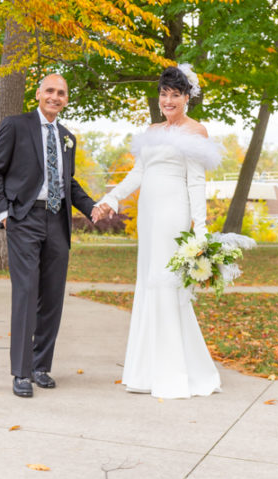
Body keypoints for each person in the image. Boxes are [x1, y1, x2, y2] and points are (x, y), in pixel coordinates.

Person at [92, 64, 222, 399]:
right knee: (149, 281)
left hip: (173, 212)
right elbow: (137, 174)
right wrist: (110, 198)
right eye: (163, 94)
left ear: (187, 97)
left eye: (174, 94)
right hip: (149, 214)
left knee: (167, 283)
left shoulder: (196, 132)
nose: (167, 100)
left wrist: (201, 230)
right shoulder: (152, 130)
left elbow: (196, 182)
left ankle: (174, 372)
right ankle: (145, 371)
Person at [0, 73, 96, 397]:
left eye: (61, 92)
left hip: (57, 221)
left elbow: (69, 183)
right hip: (24, 218)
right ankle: (20, 372)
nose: (55, 96)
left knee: (52, 296)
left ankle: (40, 366)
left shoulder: (67, 137)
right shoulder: (16, 125)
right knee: (26, 291)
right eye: (50, 90)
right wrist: (5, 213)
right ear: (38, 93)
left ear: (66, 99)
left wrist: (92, 208)